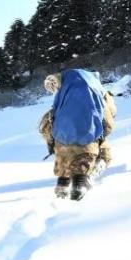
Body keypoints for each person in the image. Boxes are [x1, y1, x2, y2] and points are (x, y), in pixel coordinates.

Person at [39, 70, 110, 200]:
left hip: (62, 135)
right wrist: (103, 135)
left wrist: (51, 143)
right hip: (89, 133)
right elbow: (108, 117)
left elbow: (48, 120)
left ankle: (62, 186)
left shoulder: (63, 93)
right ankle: (80, 184)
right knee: (89, 159)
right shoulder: (97, 91)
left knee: (64, 160)